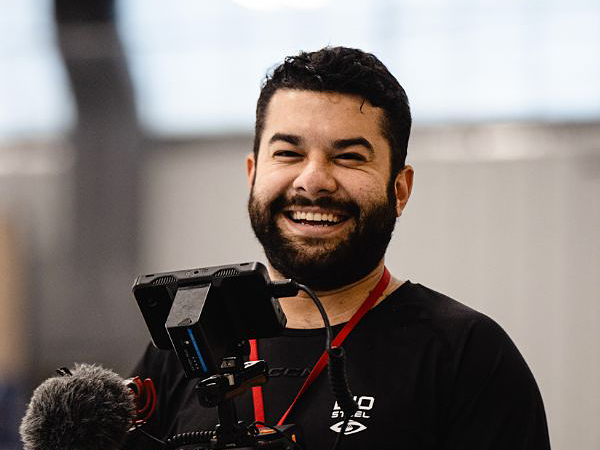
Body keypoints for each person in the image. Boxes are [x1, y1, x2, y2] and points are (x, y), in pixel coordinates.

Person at [124, 47, 550, 449]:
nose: (313, 181)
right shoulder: (186, 349)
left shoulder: (468, 356)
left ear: (399, 190)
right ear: (253, 174)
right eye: (288, 152)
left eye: (348, 156)